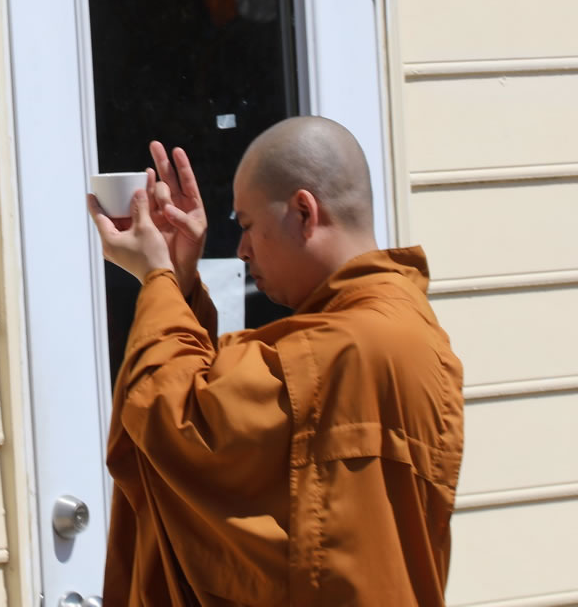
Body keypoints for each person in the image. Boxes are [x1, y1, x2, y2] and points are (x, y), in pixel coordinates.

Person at [85, 116, 465, 607]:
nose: (242, 250)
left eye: (246, 225)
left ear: (304, 212)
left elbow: (175, 419)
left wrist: (156, 275)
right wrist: (178, 281)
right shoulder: (403, 325)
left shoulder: (351, 346)